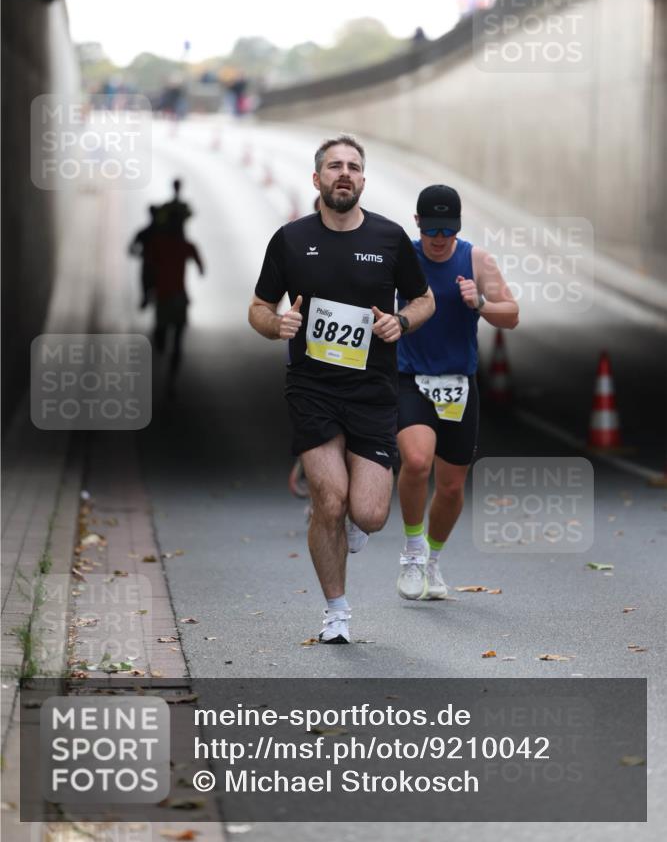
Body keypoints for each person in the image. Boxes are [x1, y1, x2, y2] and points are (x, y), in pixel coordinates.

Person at [249, 134, 435, 644]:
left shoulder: (390, 238)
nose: (344, 173)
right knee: (329, 500)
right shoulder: (290, 239)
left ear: (362, 181)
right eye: (334, 166)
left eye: (353, 166)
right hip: (312, 387)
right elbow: (259, 307)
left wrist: (401, 321)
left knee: (370, 514)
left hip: (373, 389)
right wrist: (277, 325)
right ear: (317, 179)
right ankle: (336, 613)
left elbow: (424, 299)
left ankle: (350, 523)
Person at [396, 185, 519, 600]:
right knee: (416, 460)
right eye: (432, 229)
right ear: (418, 224)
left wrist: (479, 304)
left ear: (458, 228)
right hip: (410, 378)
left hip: (458, 385)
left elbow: (512, 314)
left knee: (450, 487)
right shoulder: (404, 257)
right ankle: (412, 553)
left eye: (448, 230)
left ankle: (432, 560)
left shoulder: (476, 259)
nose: (439, 239)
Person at [145, 211, 204, 390]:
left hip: (163, 298)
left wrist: (147, 292)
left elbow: (148, 268)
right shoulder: (186, 245)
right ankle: (171, 378)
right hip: (179, 298)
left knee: (161, 335)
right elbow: (202, 268)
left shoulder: (157, 244)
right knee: (178, 341)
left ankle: (160, 363)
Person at [128, 204, 159, 309]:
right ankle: (146, 298)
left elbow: (131, 249)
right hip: (152, 266)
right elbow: (131, 249)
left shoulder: (144, 232)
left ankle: (146, 299)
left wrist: (140, 254)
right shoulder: (145, 233)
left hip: (154, 267)